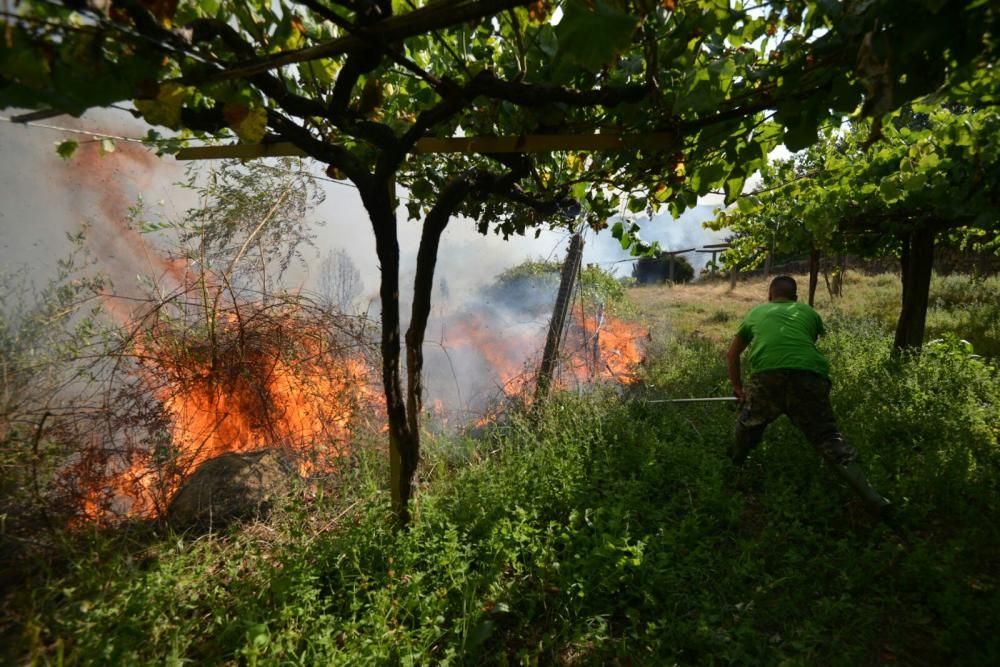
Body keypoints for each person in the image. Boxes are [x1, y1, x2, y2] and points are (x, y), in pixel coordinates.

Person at [726, 275, 891, 516]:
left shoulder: (756, 312)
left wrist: (739, 389)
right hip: (811, 376)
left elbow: (732, 355)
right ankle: (874, 498)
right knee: (828, 437)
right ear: (795, 297)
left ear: (770, 296)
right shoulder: (809, 313)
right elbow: (802, 345)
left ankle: (733, 470)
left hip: (768, 377)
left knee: (748, 425)